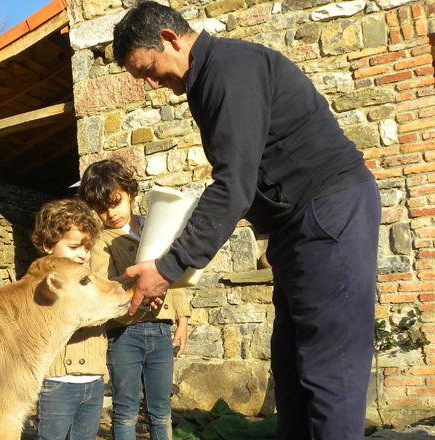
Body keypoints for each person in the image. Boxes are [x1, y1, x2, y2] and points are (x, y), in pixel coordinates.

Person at [111, 3, 380, 440]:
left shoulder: (228, 71)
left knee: (330, 374)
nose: (154, 85)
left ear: (169, 38)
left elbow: (233, 185)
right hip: (298, 226)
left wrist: (166, 268)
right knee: (292, 372)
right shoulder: (208, 80)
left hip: (328, 215)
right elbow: (253, 178)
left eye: (150, 71)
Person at [78, 159, 190, 440]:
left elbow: (174, 276)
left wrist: (183, 322)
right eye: (101, 209)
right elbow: (106, 287)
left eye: (114, 202)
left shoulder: (157, 225)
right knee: (126, 410)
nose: (110, 213)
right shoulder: (102, 242)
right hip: (123, 334)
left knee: (161, 411)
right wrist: (138, 290)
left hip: (162, 331)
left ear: (129, 192)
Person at [30, 198, 107, 440]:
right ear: (47, 245)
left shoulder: (91, 279)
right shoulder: (37, 285)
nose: (83, 255)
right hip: (56, 382)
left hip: (94, 380)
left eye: (87, 248)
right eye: (74, 247)